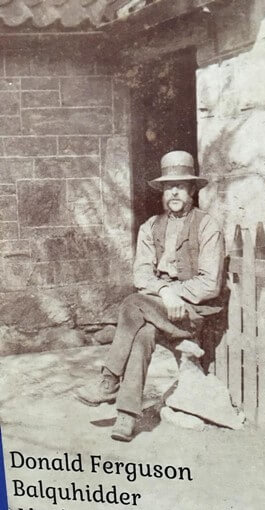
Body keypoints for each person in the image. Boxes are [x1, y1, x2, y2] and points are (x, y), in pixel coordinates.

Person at [75, 150, 224, 442]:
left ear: (192, 189)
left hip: (191, 313)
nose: (174, 193)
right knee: (142, 334)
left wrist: (175, 295)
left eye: (181, 186)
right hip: (158, 306)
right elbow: (140, 276)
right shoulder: (149, 228)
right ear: (162, 192)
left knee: (132, 304)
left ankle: (109, 380)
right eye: (169, 187)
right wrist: (165, 291)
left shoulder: (207, 226)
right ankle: (127, 417)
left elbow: (210, 285)